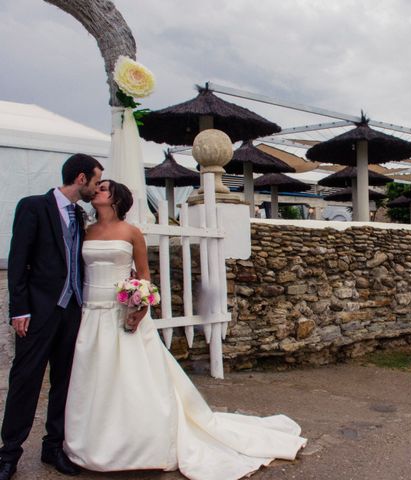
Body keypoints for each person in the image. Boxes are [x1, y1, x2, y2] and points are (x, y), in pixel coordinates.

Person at [63, 180, 306, 480]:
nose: (97, 190)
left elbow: (144, 275)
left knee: (132, 378)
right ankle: (93, 441)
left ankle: (139, 443)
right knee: (96, 377)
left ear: (116, 198)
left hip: (120, 311)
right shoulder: (86, 231)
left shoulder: (131, 232)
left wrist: (140, 302)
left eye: (104, 188)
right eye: (97, 187)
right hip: (91, 312)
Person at [0, 154, 104, 480]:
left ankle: (53, 446)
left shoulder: (79, 214)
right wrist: (19, 309)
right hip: (39, 311)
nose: (97, 188)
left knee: (64, 382)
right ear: (81, 178)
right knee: (25, 381)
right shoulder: (33, 206)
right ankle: (8, 454)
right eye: (96, 181)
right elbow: (18, 262)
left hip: (71, 311)